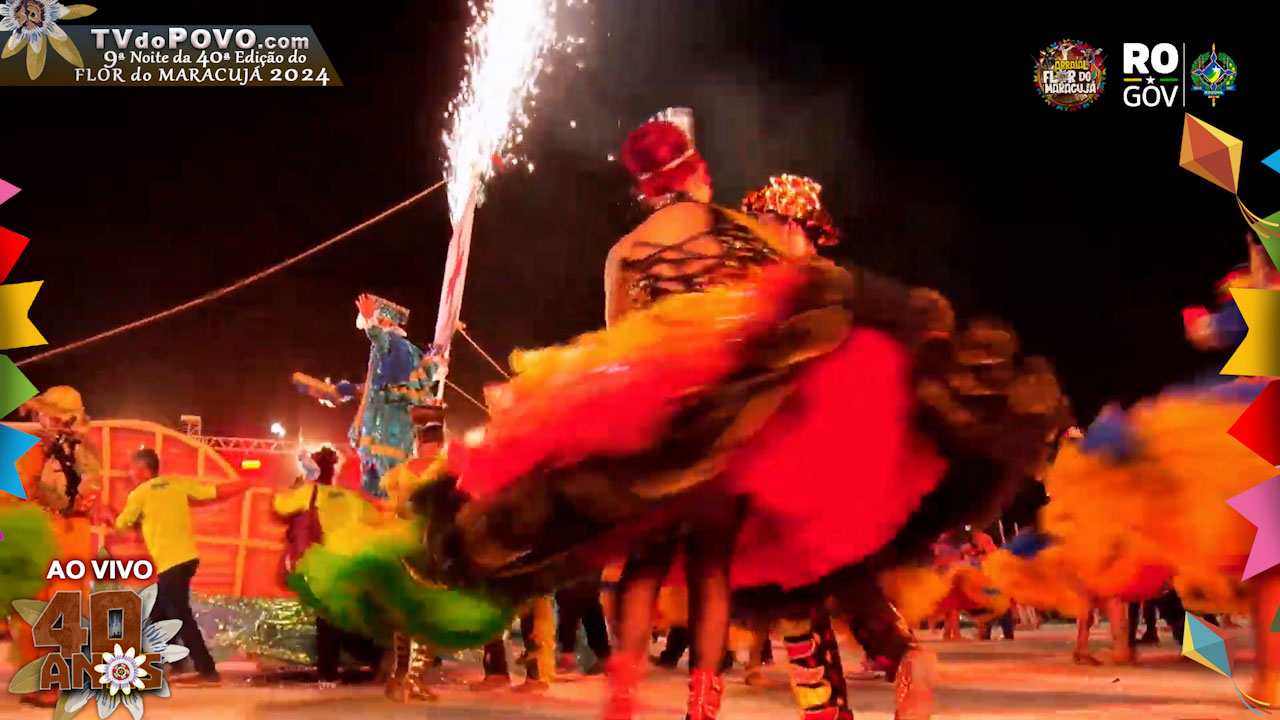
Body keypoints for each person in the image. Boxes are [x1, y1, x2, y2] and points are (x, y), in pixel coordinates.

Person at [409, 110, 1062, 720]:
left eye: (781, 220)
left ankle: (650, 694)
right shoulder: (764, 250)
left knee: (759, 578)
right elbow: (791, 315)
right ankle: (875, 662)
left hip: (721, 425)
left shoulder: (648, 250)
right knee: (792, 572)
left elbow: (627, 339)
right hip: (787, 415)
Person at [114, 448, 253, 686]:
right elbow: (213, 492)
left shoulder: (140, 494)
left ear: (144, 471)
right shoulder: (176, 483)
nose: (130, 475)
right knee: (158, 613)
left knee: (180, 616)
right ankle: (174, 664)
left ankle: (207, 670)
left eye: (133, 470)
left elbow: (122, 523)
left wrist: (109, 515)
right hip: (187, 559)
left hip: (171, 564)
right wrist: (247, 484)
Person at [5, 386, 102, 708]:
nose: (41, 418)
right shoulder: (27, 447)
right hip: (37, 538)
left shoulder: (82, 454)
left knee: (59, 610)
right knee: (28, 611)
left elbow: (80, 498)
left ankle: (52, 684)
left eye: (48, 414)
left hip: (66, 538)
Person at [272, 445, 382, 687]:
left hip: (323, 562)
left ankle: (345, 667)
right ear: (335, 470)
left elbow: (280, 505)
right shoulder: (349, 497)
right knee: (337, 617)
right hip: (351, 562)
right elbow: (374, 517)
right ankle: (359, 662)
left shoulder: (309, 492)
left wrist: (299, 484)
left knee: (329, 618)